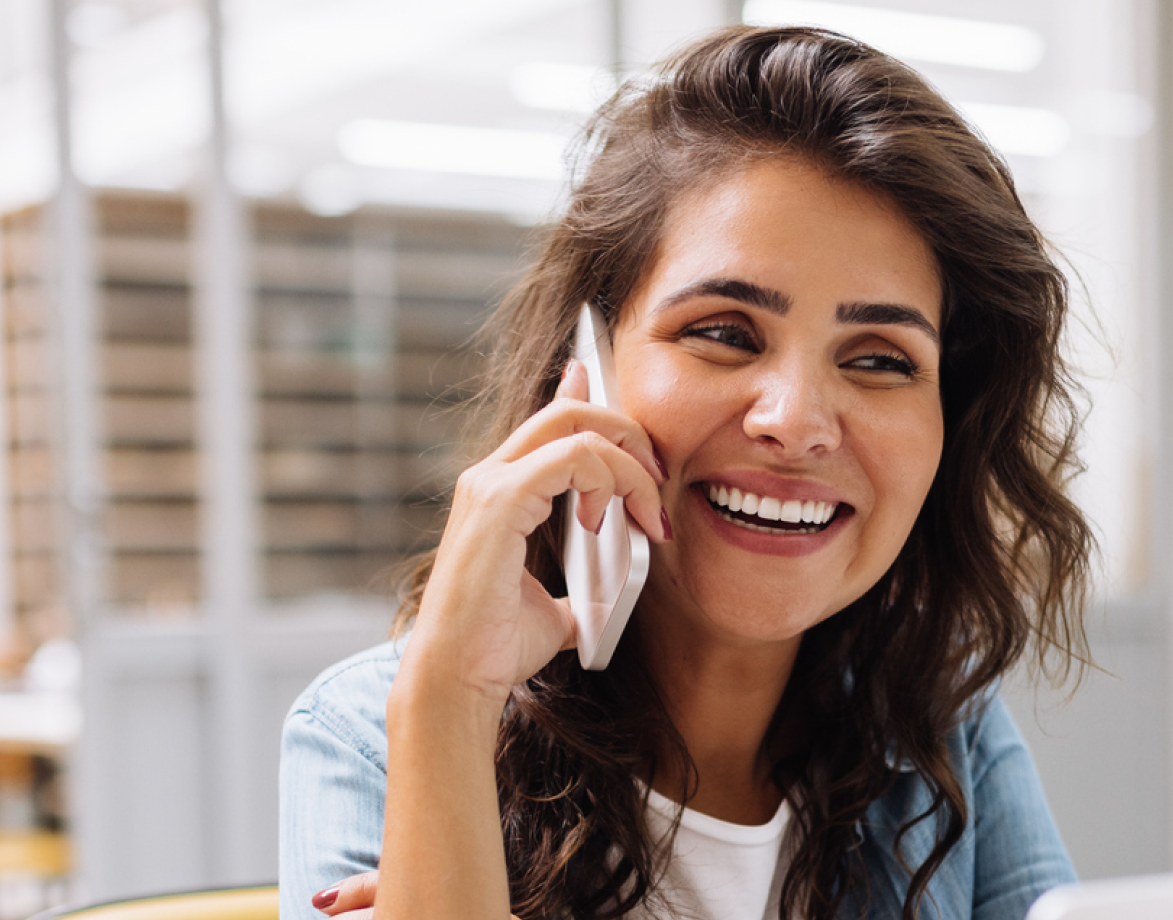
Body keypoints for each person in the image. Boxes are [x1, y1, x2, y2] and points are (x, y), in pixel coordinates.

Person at [279, 25, 1092, 920]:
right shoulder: (378, 728)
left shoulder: (938, 723)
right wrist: (448, 700)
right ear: (587, 365)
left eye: (880, 359)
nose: (795, 422)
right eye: (724, 333)